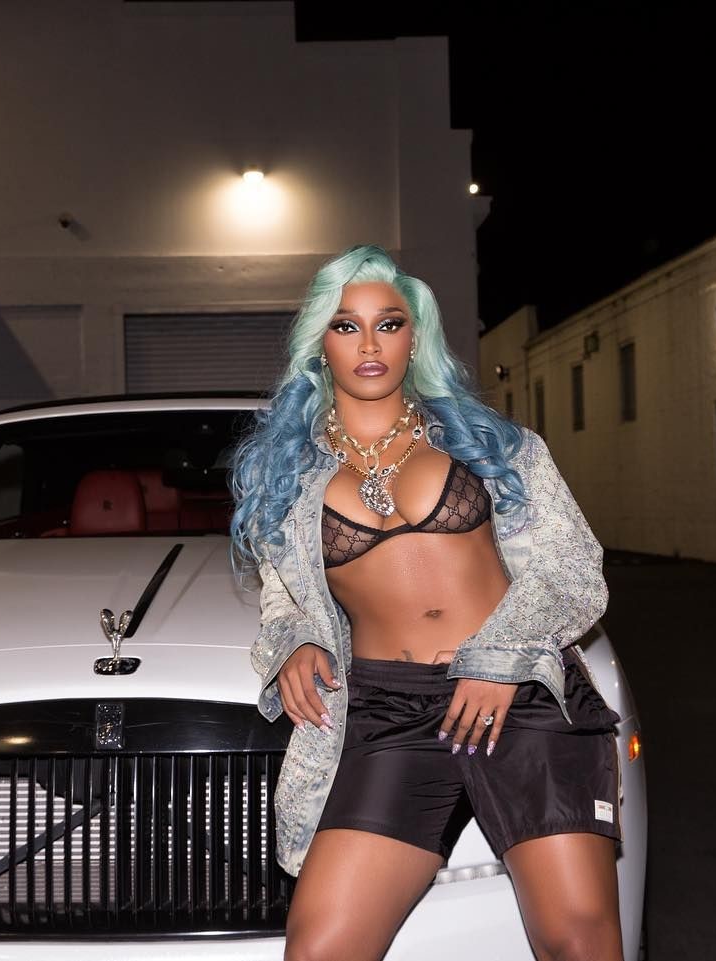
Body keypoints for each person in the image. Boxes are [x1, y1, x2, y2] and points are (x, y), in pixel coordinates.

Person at [229, 245, 621, 961]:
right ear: (320, 343)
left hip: (519, 697)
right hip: (389, 712)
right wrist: (296, 642)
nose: (369, 344)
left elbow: (573, 568)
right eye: (346, 326)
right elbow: (284, 596)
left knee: (577, 939)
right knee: (319, 950)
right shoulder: (283, 474)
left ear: (415, 338)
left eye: (389, 323)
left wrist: (499, 659)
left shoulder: (490, 444)